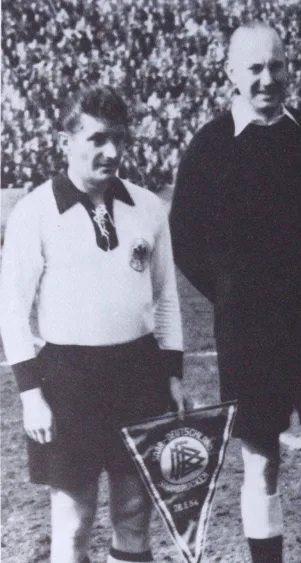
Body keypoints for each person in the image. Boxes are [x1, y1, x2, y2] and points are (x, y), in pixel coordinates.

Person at [169, 22, 301, 563]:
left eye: (276, 66)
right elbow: (184, 237)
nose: (267, 78)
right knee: (261, 460)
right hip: (252, 334)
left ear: (288, 67)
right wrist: (232, 293)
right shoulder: (211, 145)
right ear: (231, 74)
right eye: (254, 68)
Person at [0, 85, 188, 563]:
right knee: (74, 521)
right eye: (99, 139)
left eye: (120, 140)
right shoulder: (34, 212)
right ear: (66, 141)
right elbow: (11, 308)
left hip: (139, 373)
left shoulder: (147, 207)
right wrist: (30, 396)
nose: (112, 152)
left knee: (134, 512)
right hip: (68, 379)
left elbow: (165, 295)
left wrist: (172, 374)